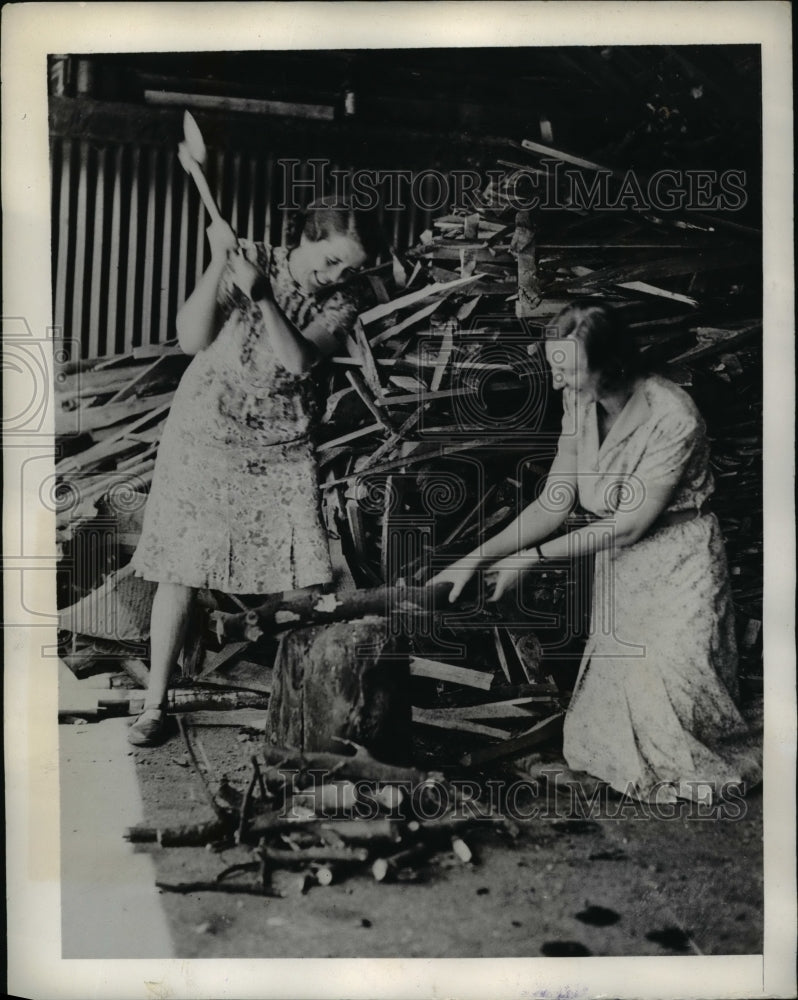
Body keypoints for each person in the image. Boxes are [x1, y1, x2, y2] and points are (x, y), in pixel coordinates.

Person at [430, 301, 761, 802]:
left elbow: (628, 526)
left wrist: (532, 559)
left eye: (570, 370)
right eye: (554, 368)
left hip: (679, 561)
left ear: (613, 362)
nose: (559, 382)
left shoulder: (672, 416)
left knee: (678, 730)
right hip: (623, 570)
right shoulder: (579, 405)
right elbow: (554, 501)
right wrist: (475, 557)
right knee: (596, 738)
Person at [128, 197, 385, 746]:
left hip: (281, 441)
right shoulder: (248, 256)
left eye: (350, 267)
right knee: (179, 567)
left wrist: (263, 295)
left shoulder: (346, 298)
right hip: (205, 426)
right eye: (331, 259)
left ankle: (308, 711)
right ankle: (155, 705)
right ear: (308, 237)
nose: (336, 274)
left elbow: (300, 361)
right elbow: (191, 339)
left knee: (308, 576)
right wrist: (220, 263)